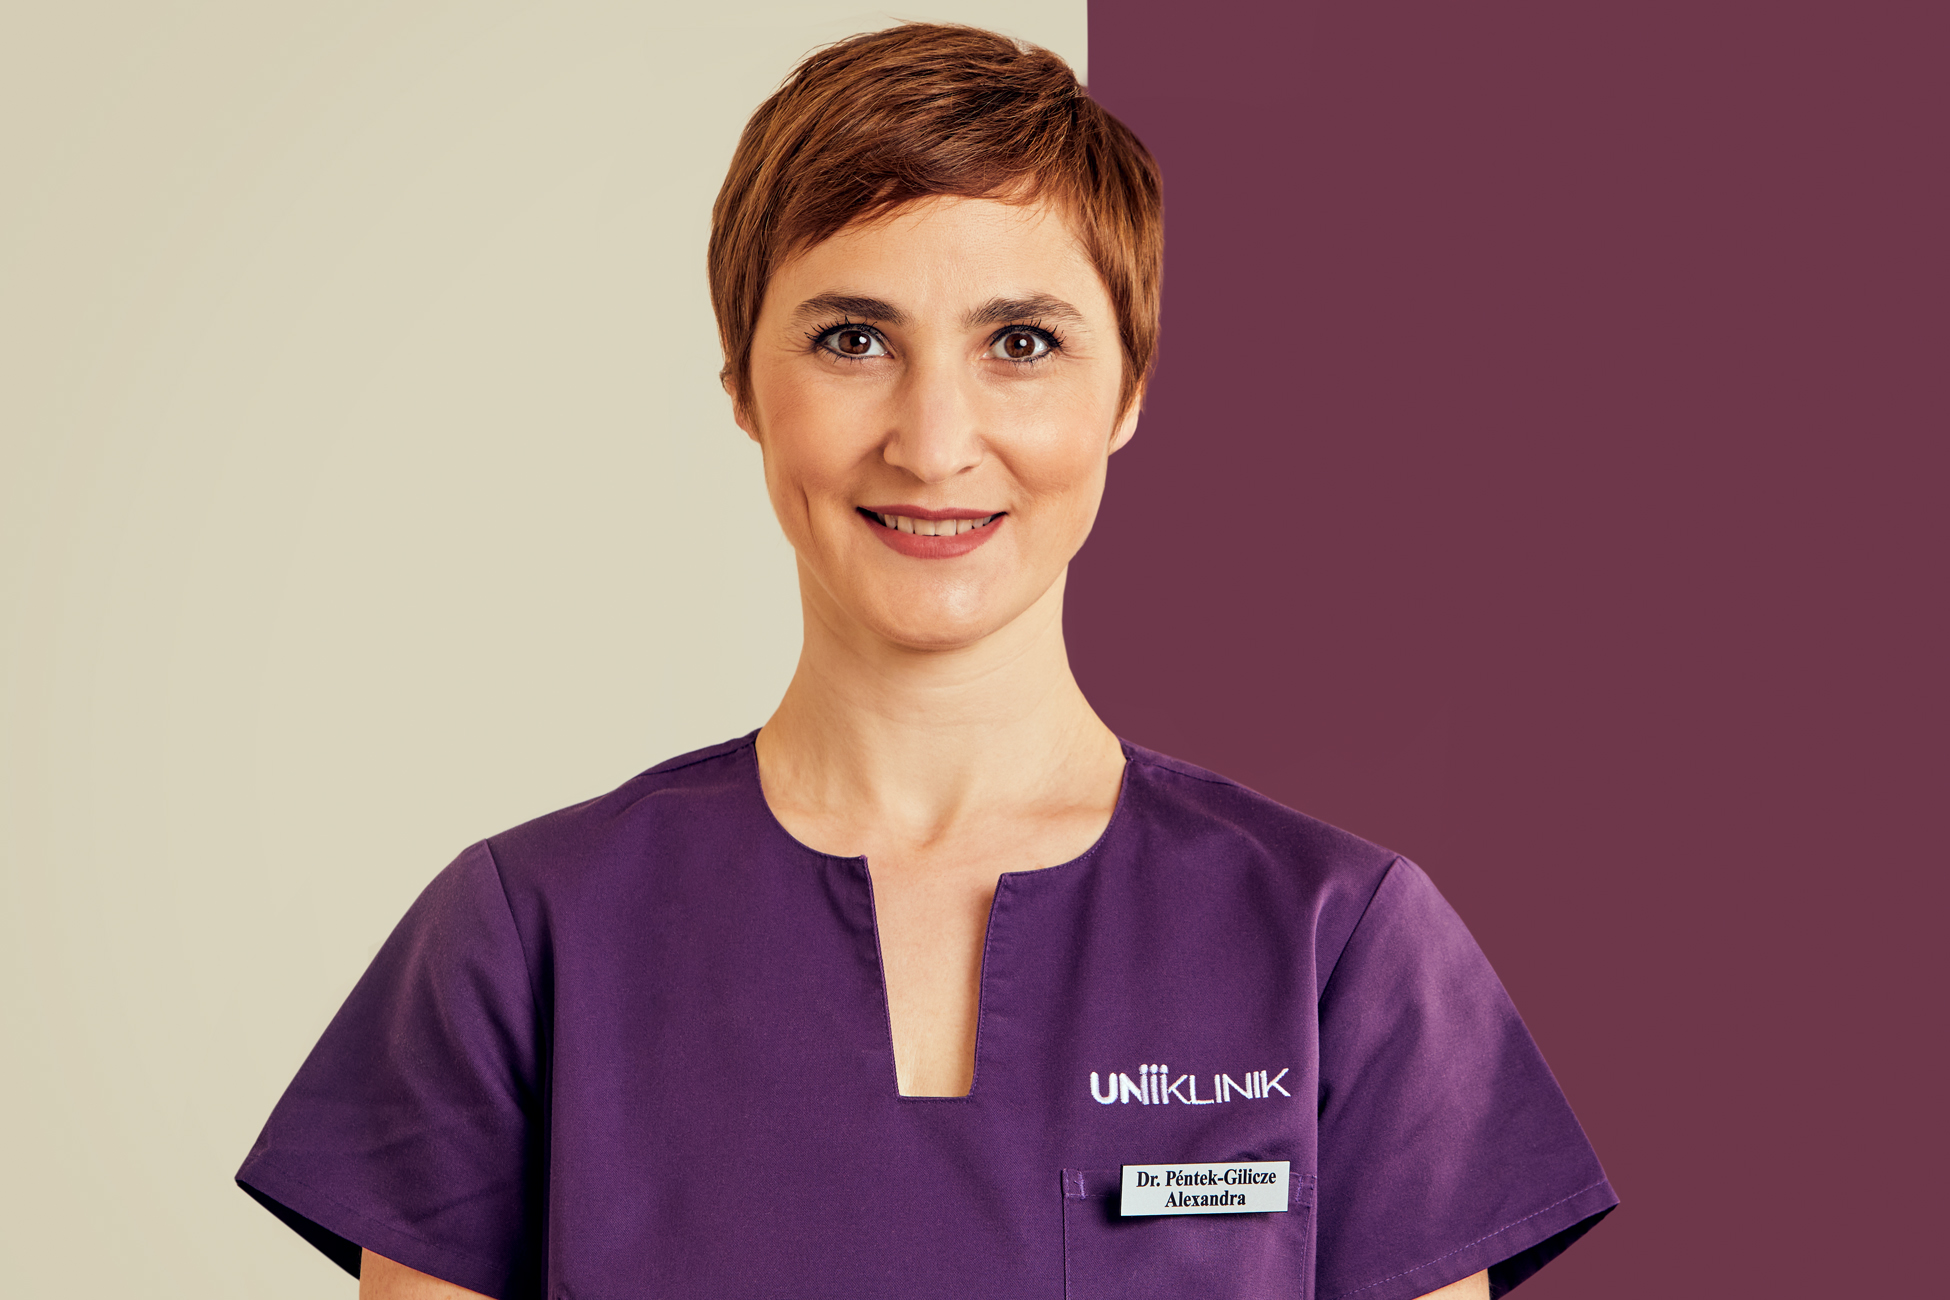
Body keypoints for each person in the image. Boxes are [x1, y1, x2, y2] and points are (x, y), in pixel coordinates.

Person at [238, 24, 1614, 1300]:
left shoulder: (1340, 946)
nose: (935, 440)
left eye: (1022, 343)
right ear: (742, 385)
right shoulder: (522, 944)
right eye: (853, 340)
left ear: (1128, 390)